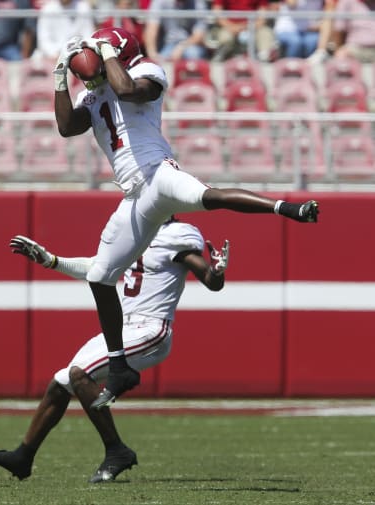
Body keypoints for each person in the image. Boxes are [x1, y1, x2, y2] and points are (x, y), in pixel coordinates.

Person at [52, 27, 319, 409]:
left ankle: (285, 208)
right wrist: (61, 78)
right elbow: (65, 127)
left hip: (157, 174)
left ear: (120, 53)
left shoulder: (148, 71)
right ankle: (119, 363)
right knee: (100, 277)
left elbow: (128, 90)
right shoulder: (95, 92)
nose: (89, 78)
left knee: (206, 195)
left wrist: (107, 54)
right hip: (133, 195)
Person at [0, 223, 229, 482]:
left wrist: (217, 271)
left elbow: (209, 280)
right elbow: (96, 268)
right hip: (123, 327)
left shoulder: (175, 234)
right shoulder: (135, 230)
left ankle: (116, 450)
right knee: (61, 382)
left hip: (151, 329)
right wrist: (51, 260)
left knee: (79, 374)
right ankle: (23, 457)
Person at [208, 0, 277, 61]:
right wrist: (232, 27)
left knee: (265, 33)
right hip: (229, 27)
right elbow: (217, 12)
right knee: (225, 37)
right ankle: (223, 58)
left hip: (253, 27)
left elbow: (262, 17)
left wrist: (246, 27)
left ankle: (263, 61)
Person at [143, 0, 209, 62]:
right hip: (169, 44)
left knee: (193, 54)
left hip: (191, 44)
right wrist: (152, 54)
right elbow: (151, 29)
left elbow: (199, 35)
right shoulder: (160, 1)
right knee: (162, 62)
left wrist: (181, 47)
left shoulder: (198, 2)